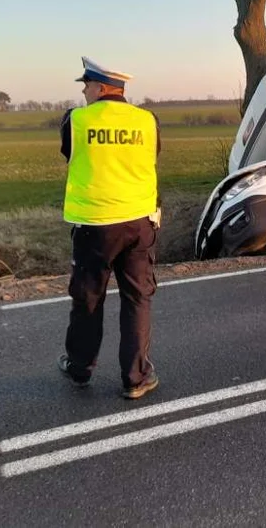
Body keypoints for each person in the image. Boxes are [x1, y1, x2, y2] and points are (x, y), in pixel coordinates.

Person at [57, 57, 163, 399]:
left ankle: (80, 368)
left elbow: (68, 154)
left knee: (88, 299)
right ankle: (136, 378)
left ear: (101, 87)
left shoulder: (75, 121)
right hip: (138, 223)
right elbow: (152, 156)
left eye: (86, 86)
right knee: (137, 299)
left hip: (95, 225)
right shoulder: (147, 120)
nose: (84, 92)